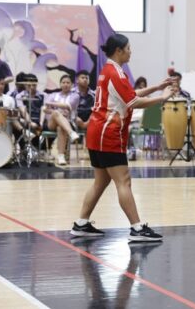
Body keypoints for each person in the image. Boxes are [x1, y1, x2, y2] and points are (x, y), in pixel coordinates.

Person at [71, 33, 175, 241]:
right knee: (123, 181)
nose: (130, 52)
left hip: (97, 131)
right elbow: (133, 102)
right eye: (128, 48)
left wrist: (156, 88)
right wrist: (162, 98)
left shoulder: (108, 70)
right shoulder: (116, 73)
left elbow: (130, 94)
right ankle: (137, 228)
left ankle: (81, 224)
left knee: (100, 182)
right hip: (108, 133)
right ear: (118, 51)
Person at [43, 74, 80, 165]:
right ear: (60, 84)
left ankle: (61, 156)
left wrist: (52, 104)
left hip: (69, 122)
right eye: (63, 82)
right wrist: (58, 112)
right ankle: (71, 133)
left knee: (60, 127)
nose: (65, 84)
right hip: (52, 123)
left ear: (72, 85)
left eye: (68, 83)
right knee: (56, 113)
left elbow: (67, 106)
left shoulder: (75, 96)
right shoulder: (53, 95)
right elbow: (45, 109)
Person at [15, 74, 45, 141]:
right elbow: (23, 110)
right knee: (17, 123)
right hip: (26, 121)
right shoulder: (19, 96)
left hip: (39, 121)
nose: (31, 87)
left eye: (34, 85)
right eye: (29, 85)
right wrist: (30, 123)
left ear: (37, 84)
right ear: (25, 85)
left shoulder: (43, 95)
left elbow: (43, 109)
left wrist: (41, 123)